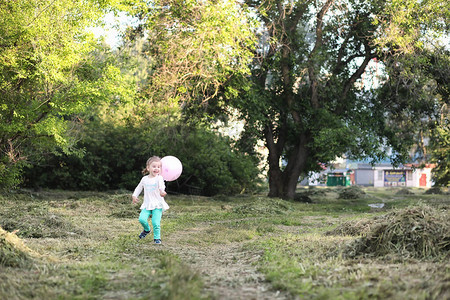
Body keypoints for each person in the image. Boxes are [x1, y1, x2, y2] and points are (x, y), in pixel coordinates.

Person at [132, 156, 169, 244]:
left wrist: (162, 191)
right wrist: (134, 195)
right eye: (154, 166)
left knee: (156, 223)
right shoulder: (144, 179)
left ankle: (157, 238)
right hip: (147, 204)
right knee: (142, 219)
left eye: (158, 167)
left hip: (157, 205)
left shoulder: (159, 178)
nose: (156, 168)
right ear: (148, 168)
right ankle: (147, 230)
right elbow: (138, 188)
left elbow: (161, 186)